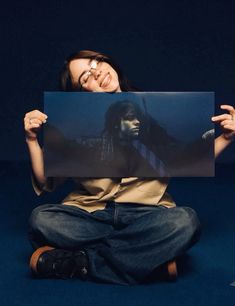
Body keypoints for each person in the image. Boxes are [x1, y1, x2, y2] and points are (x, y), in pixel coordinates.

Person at [24, 50, 235, 285]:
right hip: (92, 214)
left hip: (147, 214)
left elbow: (186, 158)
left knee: (185, 222)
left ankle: (79, 263)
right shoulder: (77, 128)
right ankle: (148, 260)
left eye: (96, 62)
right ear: (80, 94)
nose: (97, 72)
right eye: (85, 77)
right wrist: (32, 140)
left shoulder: (151, 114)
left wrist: (225, 138)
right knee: (41, 220)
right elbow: (45, 182)